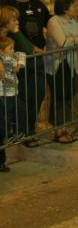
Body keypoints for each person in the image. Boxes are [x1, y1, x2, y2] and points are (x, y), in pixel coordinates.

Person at [46, 0, 78, 143]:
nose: (76, 8)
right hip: (59, 65)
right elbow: (63, 43)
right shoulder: (53, 21)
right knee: (59, 97)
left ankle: (64, 128)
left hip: (72, 65)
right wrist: (72, 40)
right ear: (65, 8)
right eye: (74, 5)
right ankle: (58, 131)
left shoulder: (74, 22)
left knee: (69, 96)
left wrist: (73, 39)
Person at [0, 5, 41, 146]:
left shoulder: (10, 36)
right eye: (14, 20)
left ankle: (15, 135)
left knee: (20, 109)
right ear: (5, 21)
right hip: (2, 87)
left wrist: (17, 33)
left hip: (10, 85)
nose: (17, 22)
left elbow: (26, 50)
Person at [0, 36, 25, 172]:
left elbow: (21, 54)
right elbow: (15, 68)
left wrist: (18, 61)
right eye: (10, 48)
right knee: (3, 122)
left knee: (19, 112)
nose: (13, 50)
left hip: (12, 93)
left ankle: (13, 133)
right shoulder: (4, 58)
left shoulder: (8, 57)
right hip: (2, 95)